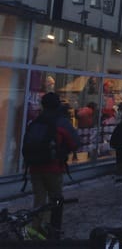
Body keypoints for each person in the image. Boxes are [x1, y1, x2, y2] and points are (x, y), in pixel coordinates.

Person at [27, 92, 79, 231]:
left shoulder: (37, 121)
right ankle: (51, 228)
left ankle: (36, 227)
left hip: (34, 167)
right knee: (55, 199)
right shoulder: (61, 122)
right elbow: (75, 143)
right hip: (53, 167)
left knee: (39, 199)